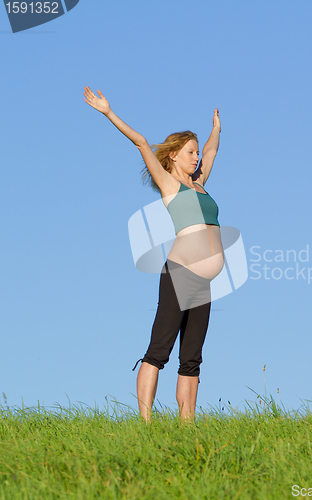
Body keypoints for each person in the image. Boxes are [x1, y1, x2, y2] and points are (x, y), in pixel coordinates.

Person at [83, 86, 224, 423]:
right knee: (159, 350)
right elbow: (142, 142)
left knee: (192, 357)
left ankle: (187, 425)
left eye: (196, 153)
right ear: (174, 155)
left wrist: (216, 129)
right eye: (190, 153)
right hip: (180, 273)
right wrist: (108, 112)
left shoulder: (200, 184)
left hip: (204, 281)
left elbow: (212, 150)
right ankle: (145, 423)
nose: (197, 158)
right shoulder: (170, 184)